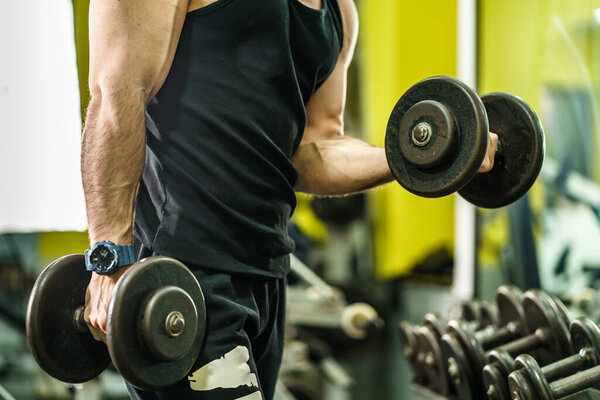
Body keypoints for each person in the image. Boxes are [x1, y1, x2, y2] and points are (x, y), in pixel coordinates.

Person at [81, 0, 498, 399]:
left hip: (267, 276)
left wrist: (412, 157)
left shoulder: (338, 11)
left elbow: (315, 148)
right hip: (182, 273)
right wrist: (109, 257)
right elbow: (116, 94)